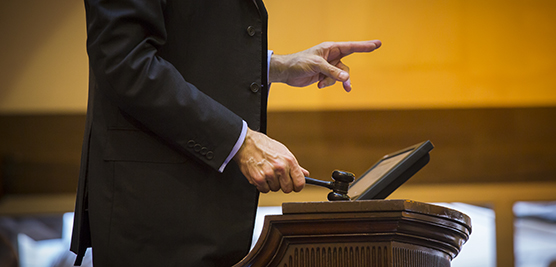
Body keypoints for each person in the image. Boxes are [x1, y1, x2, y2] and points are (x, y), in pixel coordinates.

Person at [70, 0, 381, 266]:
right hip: (156, 216)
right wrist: (240, 141)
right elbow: (123, 61)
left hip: (198, 216)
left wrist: (279, 66)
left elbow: (189, 44)